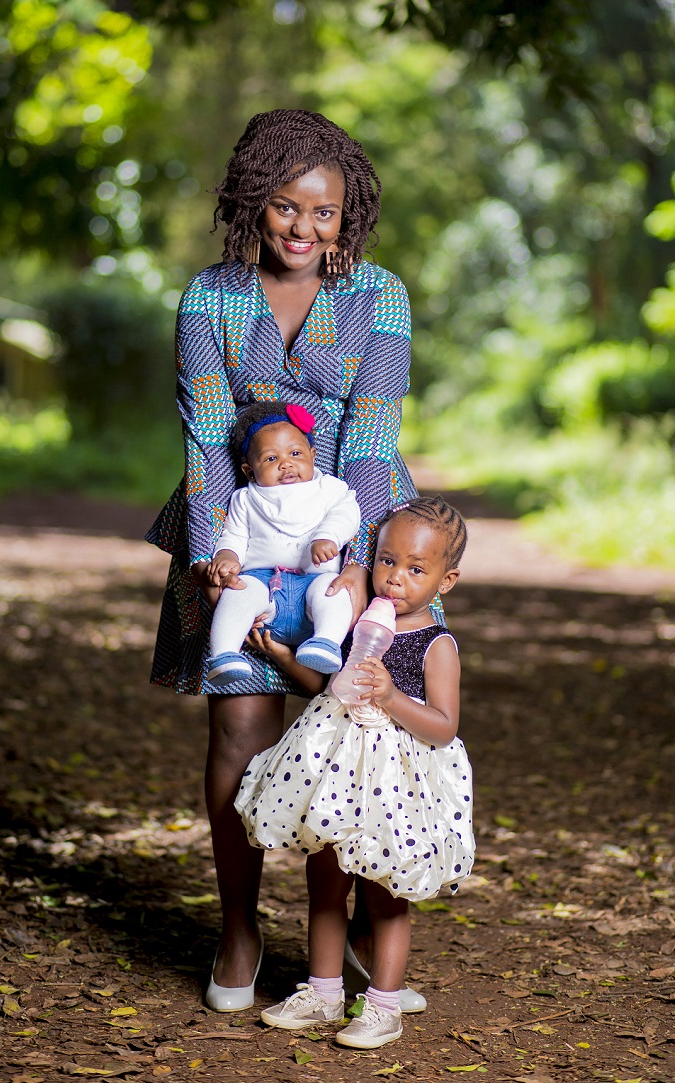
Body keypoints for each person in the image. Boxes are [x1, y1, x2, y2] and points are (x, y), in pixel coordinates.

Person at [146, 108, 428, 1011]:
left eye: (326, 214)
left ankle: (326, 945)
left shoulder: (379, 295)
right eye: (285, 208)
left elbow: (376, 437)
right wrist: (212, 558)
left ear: (349, 218)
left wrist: (359, 564)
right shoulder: (210, 297)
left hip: (346, 540)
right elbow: (203, 440)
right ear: (252, 203)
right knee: (240, 727)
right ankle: (237, 925)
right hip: (236, 534)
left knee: (350, 736)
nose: (304, 230)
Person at [236, 496, 475, 1050]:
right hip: (334, 771)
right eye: (388, 561)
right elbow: (329, 685)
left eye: (417, 569)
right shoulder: (360, 623)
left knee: (386, 890)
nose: (396, 579)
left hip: (398, 780)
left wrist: (391, 696)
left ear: (447, 580)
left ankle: (383, 1005)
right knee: (324, 878)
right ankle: (322, 992)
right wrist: (281, 655)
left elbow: (443, 727)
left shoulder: (435, 645)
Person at [205, 400, 359, 687]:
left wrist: (328, 536)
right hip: (263, 589)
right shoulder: (246, 499)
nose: (286, 463)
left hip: (313, 586)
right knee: (238, 592)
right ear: (250, 472)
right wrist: (227, 556)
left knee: (334, 592)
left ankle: (325, 642)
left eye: (296, 453)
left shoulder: (329, 489)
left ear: (313, 456)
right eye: (271, 459)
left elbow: (348, 514)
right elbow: (234, 535)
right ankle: (224, 654)